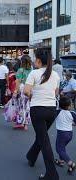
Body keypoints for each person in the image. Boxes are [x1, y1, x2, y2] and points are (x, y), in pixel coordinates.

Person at [24, 48, 60, 180]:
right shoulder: (55, 74)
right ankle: (31, 156)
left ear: (38, 61)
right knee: (42, 136)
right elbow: (56, 93)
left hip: (38, 109)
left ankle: (52, 174)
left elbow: (26, 91)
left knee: (44, 141)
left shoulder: (34, 73)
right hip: (51, 110)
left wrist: (33, 94)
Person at [54, 96, 76, 174]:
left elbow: (51, 115)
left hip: (62, 134)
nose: (72, 105)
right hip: (70, 134)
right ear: (69, 106)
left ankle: (71, 164)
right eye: (71, 104)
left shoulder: (57, 112)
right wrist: (72, 123)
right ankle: (61, 161)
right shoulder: (72, 113)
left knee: (59, 149)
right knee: (62, 148)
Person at [12, 55, 32, 130]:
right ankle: (26, 124)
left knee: (21, 106)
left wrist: (15, 91)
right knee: (28, 107)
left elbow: (18, 82)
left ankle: (20, 122)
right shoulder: (31, 70)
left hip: (22, 88)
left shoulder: (20, 70)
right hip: (30, 88)